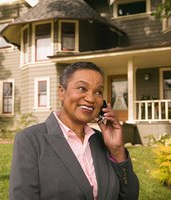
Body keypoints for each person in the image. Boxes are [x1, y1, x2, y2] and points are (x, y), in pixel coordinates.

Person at [9, 62, 139, 200]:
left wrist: (118, 151)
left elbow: (130, 196)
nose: (90, 98)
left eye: (98, 92)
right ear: (61, 92)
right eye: (82, 88)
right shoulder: (31, 140)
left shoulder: (103, 141)